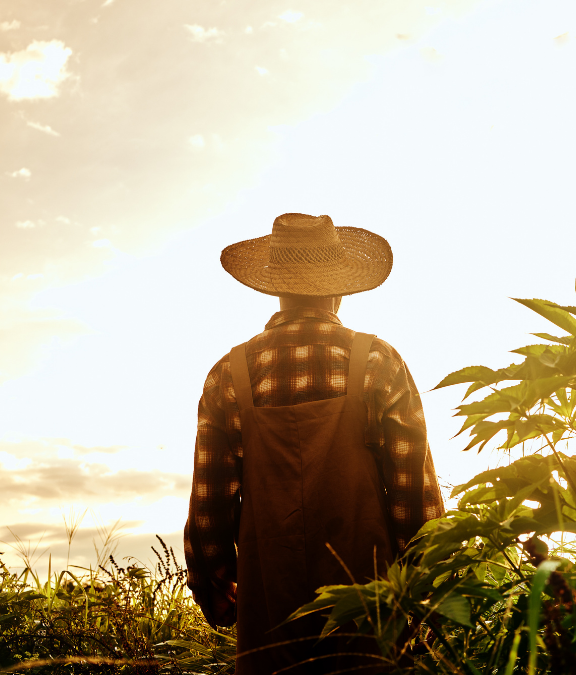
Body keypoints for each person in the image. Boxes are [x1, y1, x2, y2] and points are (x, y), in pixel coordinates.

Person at [183, 213, 445, 674]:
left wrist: (217, 592)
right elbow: (414, 496)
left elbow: (210, 509)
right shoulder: (376, 361)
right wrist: (424, 597)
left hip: (269, 605)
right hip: (369, 602)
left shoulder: (229, 373)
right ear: (339, 289)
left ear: (275, 288)